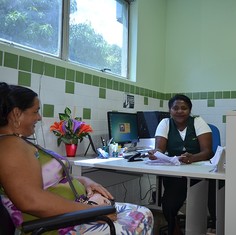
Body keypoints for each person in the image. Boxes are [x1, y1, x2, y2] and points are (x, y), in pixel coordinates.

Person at [0, 82, 154, 235]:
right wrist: (93, 212)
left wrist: (85, 181)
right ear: (16, 114)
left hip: (73, 215)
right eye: (35, 111)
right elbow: (31, 201)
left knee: (139, 212)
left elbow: (50, 180)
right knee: (142, 215)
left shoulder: (17, 143)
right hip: (60, 226)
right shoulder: (10, 147)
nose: (39, 117)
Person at [148, 94, 213, 235]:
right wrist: (156, 153)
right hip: (176, 172)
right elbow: (160, 148)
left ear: (190, 110)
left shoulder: (198, 121)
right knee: (169, 202)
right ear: (170, 110)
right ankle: (173, 227)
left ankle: (213, 225)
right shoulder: (165, 123)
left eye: (184, 108)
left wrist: (193, 158)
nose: (179, 111)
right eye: (175, 108)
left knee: (213, 194)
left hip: (201, 171)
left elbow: (207, 152)